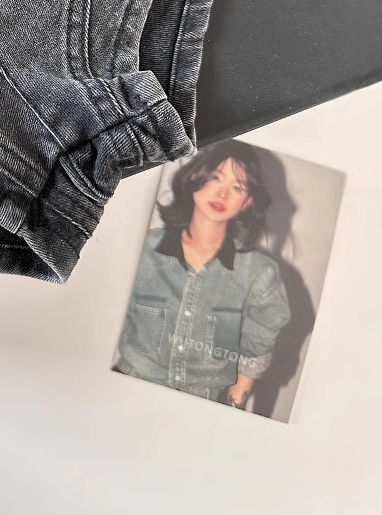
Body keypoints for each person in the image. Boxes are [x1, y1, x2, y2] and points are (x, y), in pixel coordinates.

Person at [113, 139, 291, 409]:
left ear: (247, 202)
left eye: (238, 187)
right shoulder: (143, 249)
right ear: (195, 177)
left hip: (201, 407)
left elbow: (252, 359)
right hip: (125, 393)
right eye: (216, 178)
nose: (223, 194)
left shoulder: (259, 275)